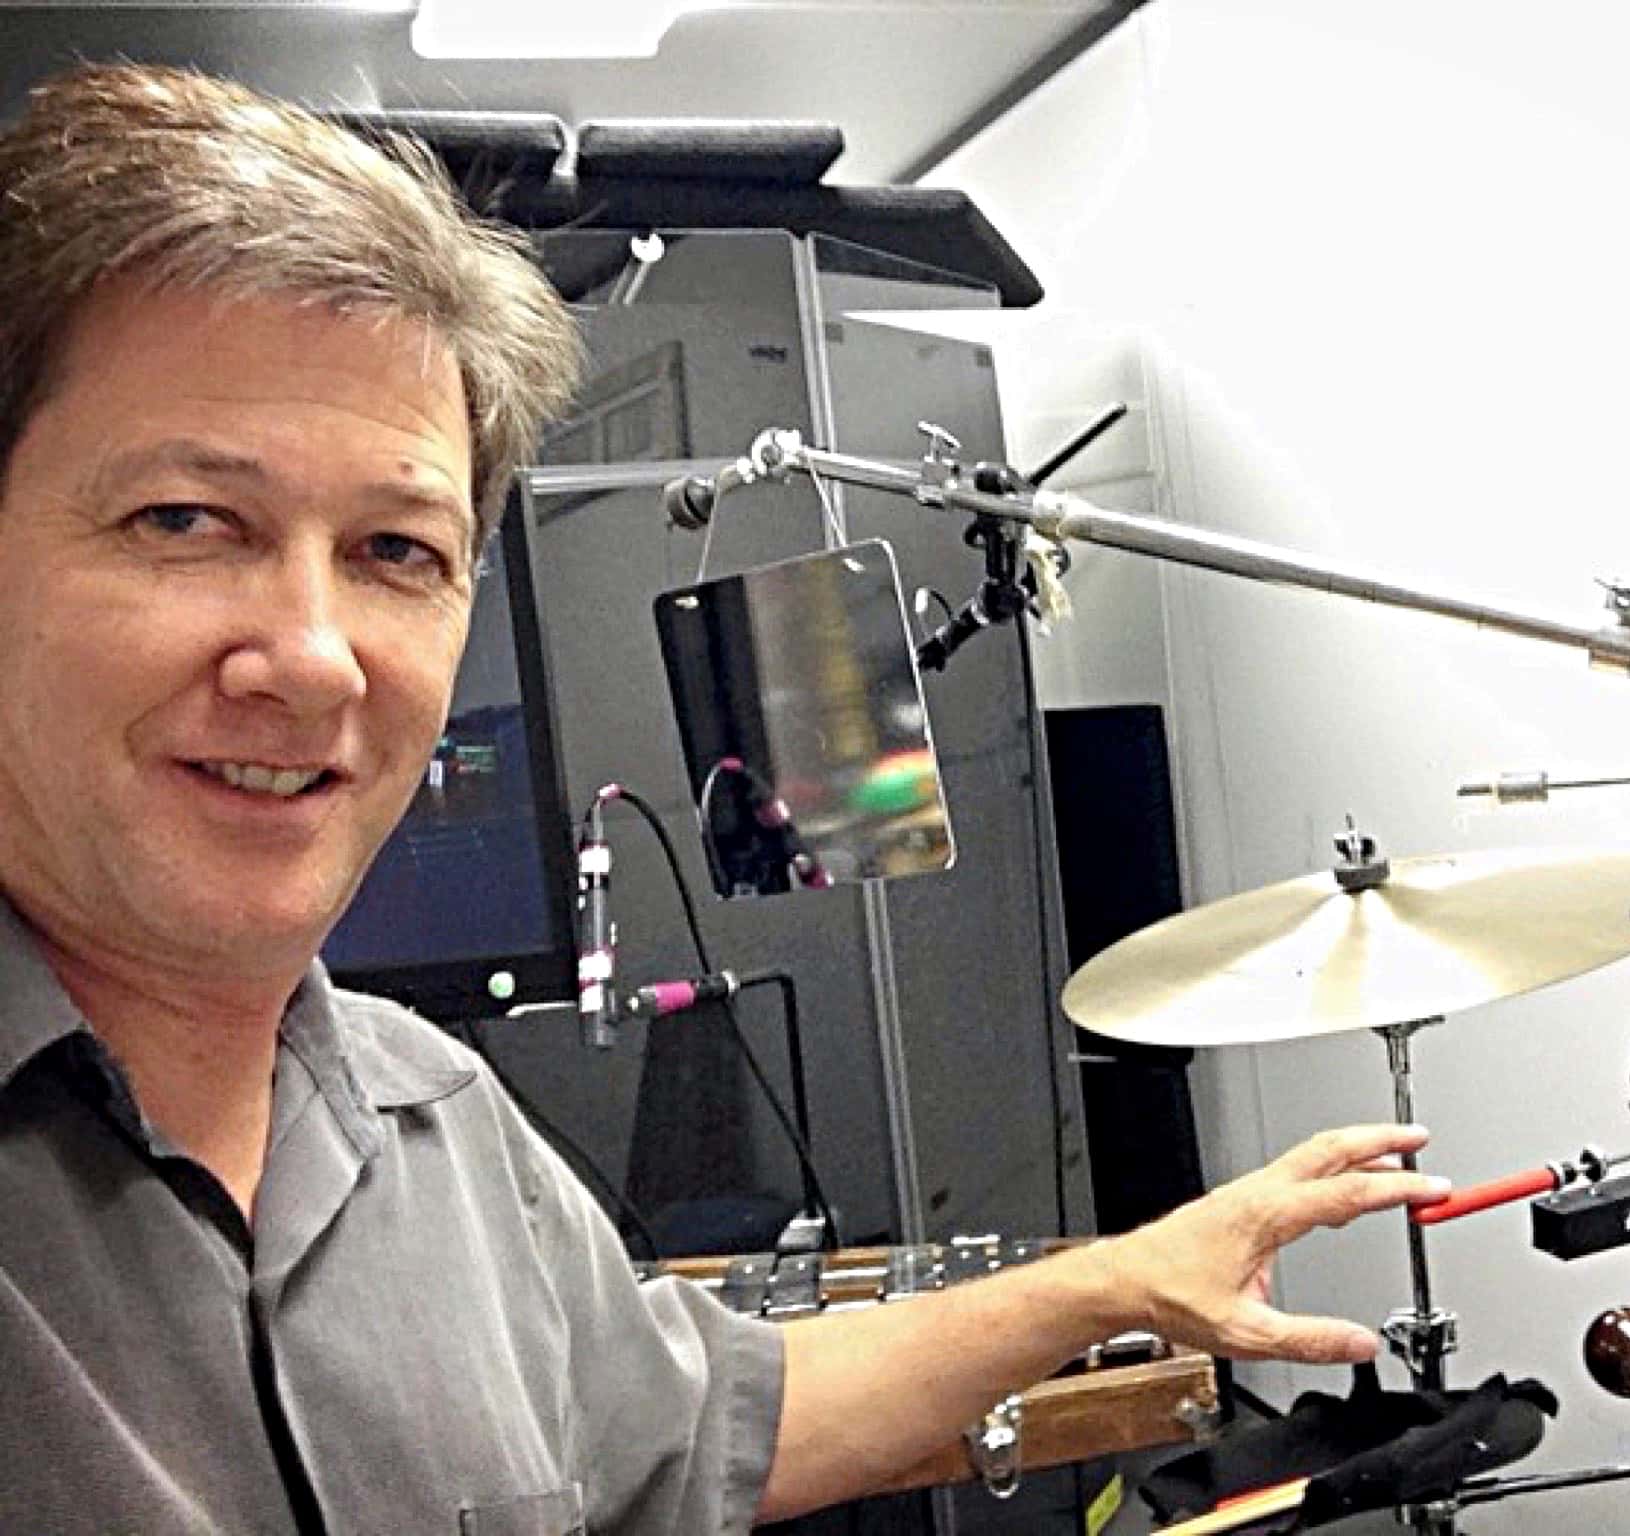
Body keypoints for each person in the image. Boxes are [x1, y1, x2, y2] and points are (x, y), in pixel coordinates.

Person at [0, 62, 1449, 1533]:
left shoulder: (434, 1126)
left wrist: (1121, 1279)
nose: (313, 661)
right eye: (184, 519)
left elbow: (710, 1421)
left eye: (397, 551)